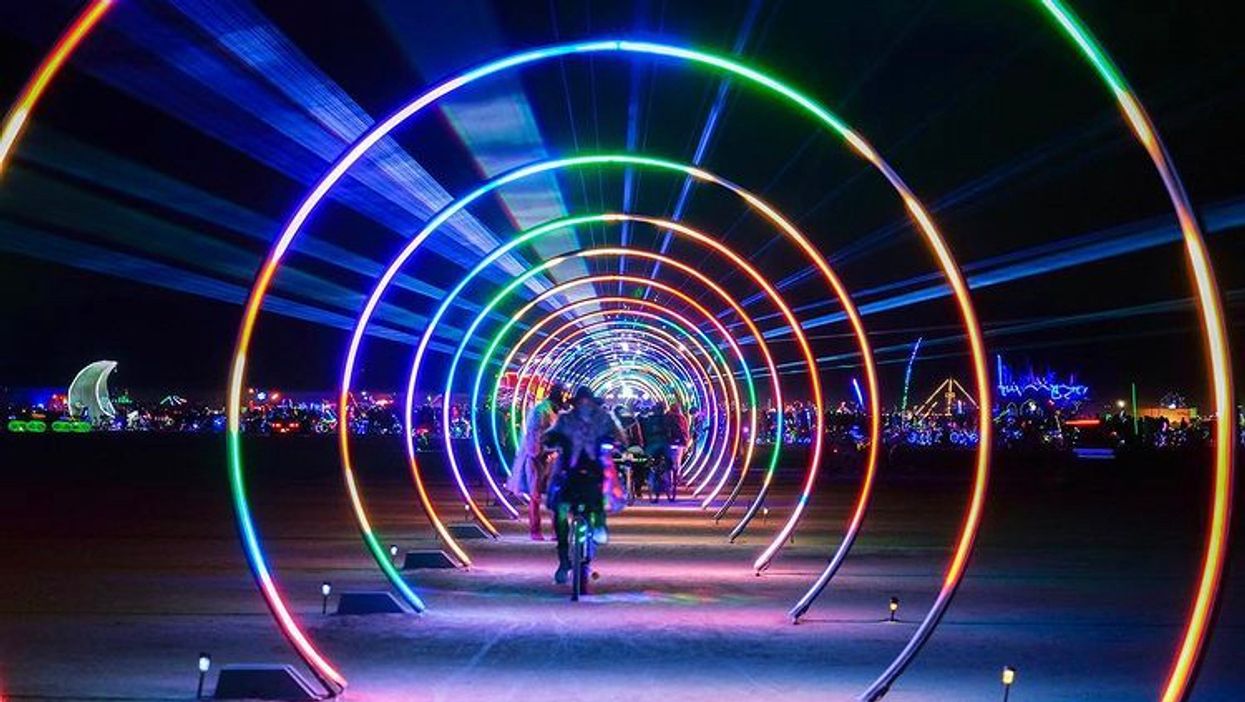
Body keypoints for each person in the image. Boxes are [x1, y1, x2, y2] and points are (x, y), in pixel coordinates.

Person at [543, 386, 624, 586]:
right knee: (560, 511)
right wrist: (552, 440)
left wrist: (613, 444)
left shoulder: (604, 419)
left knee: (596, 502)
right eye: (581, 402)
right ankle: (563, 560)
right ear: (576, 403)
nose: (584, 405)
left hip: (593, 471)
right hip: (568, 472)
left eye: (587, 402)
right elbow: (549, 437)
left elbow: (620, 438)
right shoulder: (564, 419)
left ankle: (598, 526)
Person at [505, 384, 565, 540]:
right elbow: (534, 433)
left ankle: (555, 531)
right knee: (535, 495)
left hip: (550, 456)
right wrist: (540, 452)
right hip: (537, 457)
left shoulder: (555, 411)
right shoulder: (541, 411)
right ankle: (535, 530)